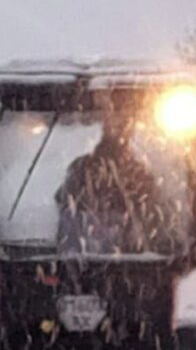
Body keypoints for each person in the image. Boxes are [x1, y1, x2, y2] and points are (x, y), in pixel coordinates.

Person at [56, 108, 172, 257]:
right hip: (83, 264)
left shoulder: (140, 175)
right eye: (111, 126)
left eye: (120, 127)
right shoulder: (81, 170)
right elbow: (66, 212)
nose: (115, 132)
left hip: (133, 264)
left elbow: (155, 222)